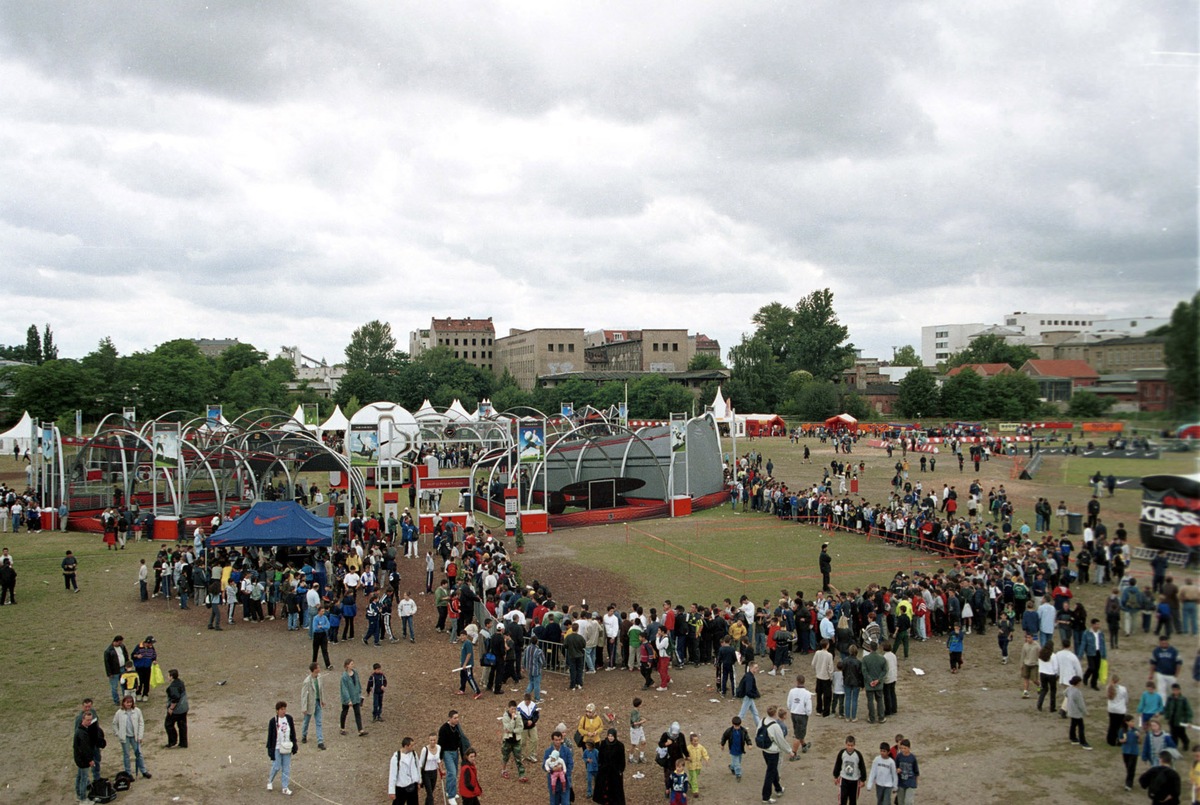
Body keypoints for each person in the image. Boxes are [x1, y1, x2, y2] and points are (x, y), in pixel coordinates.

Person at [112, 695, 150, 780]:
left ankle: (143, 771)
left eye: (130, 702)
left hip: (135, 737)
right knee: (126, 755)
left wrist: (140, 736)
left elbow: (141, 723)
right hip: (125, 737)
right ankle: (128, 773)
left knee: (139, 754)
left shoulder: (137, 711)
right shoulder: (119, 712)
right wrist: (118, 734)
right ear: (124, 703)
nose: (129, 704)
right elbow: (114, 723)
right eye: (127, 702)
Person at [759, 705, 791, 804]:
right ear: (775, 713)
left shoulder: (762, 721)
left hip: (764, 750)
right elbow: (781, 741)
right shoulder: (775, 726)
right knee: (770, 773)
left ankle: (778, 788)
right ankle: (766, 797)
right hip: (773, 752)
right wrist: (789, 751)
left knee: (772, 770)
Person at [266, 700, 297, 795]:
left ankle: (285, 787)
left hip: (287, 746)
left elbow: (293, 732)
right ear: (277, 710)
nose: (284, 711)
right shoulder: (273, 721)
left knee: (286, 767)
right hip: (277, 747)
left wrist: (294, 744)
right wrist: (270, 749)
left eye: (284, 709)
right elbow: (270, 736)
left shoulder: (289, 719)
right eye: (281, 709)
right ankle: (270, 780)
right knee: (276, 766)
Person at [439, 710, 468, 805]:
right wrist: (439, 758)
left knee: (454, 773)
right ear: (449, 718)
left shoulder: (457, 727)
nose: (457, 720)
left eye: (457, 717)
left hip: (455, 752)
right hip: (447, 753)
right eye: (455, 718)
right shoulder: (444, 729)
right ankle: (451, 796)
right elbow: (441, 744)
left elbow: (461, 740)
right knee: (452, 772)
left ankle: (449, 790)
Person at [74, 710, 102, 804]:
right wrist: (90, 760)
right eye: (87, 720)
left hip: (79, 759)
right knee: (84, 779)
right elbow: (85, 749)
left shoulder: (81, 730)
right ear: (83, 719)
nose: (89, 722)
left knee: (79, 777)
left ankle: (78, 795)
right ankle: (83, 799)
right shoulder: (82, 733)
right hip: (83, 760)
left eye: (90, 720)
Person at [593, 727, 627, 804]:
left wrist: (621, 770)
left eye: (612, 736)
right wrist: (600, 765)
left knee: (615, 788)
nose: (610, 738)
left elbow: (622, 759)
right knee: (603, 786)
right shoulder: (604, 744)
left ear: (615, 736)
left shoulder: (620, 745)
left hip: (615, 771)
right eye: (609, 736)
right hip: (604, 770)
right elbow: (600, 756)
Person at [833, 735, 868, 805]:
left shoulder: (858, 755)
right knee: (843, 799)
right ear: (846, 744)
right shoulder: (842, 753)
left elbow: (862, 767)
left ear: (854, 745)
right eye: (848, 745)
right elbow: (838, 764)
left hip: (854, 781)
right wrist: (836, 776)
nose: (850, 747)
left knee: (853, 800)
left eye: (852, 745)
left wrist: (863, 779)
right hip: (844, 780)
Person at [542, 730, 575, 805]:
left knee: (566, 802)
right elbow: (544, 765)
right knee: (554, 802)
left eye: (559, 740)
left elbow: (570, 763)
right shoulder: (548, 752)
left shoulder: (566, 751)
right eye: (556, 740)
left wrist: (565, 772)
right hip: (553, 782)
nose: (558, 742)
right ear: (553, 740)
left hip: (565, 781)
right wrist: (552, 769)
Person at [300, 662, 327, 750]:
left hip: (317, 702)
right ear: (314, 669)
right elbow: (304, 695)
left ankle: (320, 741)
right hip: (310, 704)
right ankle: (304, 735)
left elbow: (321, 689)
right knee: (306, 721)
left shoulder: (319, 678)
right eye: (318, 667)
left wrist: (322, 700)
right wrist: (304, 707)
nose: (319, 669)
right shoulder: (307, 681)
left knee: (318, 722)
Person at [388, 736, 422, 805]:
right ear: (406, 746)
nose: (413, 747)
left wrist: (419, 781)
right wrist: (392, 791)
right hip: (401, 788)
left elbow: (417, 767)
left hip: (412, 786)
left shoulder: (414, 754)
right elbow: (392, 775)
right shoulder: (396, 758)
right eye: (411, 745)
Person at [500, 700, 527, 783]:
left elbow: (520, 728)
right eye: (512, 709)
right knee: (505, 756)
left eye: (515, 709)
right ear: (509, 708)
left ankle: (522, 774)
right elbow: (508, 728)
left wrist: (513, 731)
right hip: (507, 740)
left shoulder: (518, 716)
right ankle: (503, 770)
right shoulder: (505, 717)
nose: (514, 711)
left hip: (516, 740)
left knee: (518, 757)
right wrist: (512, 719)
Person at [339, 658, 368, 737]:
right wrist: (348, 700)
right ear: (347, 665)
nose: (353, 665)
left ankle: (360, 730)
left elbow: (358, 683)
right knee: (344, 712)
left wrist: (359, 693)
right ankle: (342, 728)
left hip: (355, 697)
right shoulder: (344, 677)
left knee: (357, 713)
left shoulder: (355, 673)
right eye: (351, 664)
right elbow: (344, 689)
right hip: (348, 698)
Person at [786, 674, 812, 756]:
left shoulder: (792, 691)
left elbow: (788, 703)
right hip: (802, 715)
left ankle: (804, 745)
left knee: (797, 731)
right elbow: (808, 707)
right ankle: (793, 753)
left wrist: (792, 709)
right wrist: (808, 713)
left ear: (797, 682)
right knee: (798, 734)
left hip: (794, 714)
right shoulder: (807, 693)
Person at [1065, 675, 1093, 749]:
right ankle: (1083, 742)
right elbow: (1081, 704)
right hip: (1077, 712)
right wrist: (1086, 713)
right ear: (1078, 683)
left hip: (1071, 710)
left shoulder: (1069, 688)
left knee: (1073, 724)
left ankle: (1073, 738)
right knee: (1081, 727)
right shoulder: (1077, 692)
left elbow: (1065, 693)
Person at [1163, 683, 1193, 752]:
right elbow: (1167, 708)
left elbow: (1188, 711)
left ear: (1179, 690)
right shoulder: (1170, 698)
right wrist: (1167, 716)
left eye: (1177, 690)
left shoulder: (1183, 699)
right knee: (1173, 734)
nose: (1175, 692)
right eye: (1174, 690)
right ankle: (1174, 747)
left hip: (1180, 721)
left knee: (1181, 734)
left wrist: (1189, 721)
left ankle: (1186, 742)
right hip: (1172, 720)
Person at [719, 715, 749, 783]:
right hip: (733, 750)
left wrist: (749, 743)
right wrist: (722, 744)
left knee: (737, 762)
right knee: (737, 764)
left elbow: (747, 737)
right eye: (736, 726)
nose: (737, 727)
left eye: (738, 726)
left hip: (740, 749)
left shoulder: (743, 731)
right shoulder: (729, 731)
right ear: (733, 724)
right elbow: (724, 737)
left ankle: (732, 767)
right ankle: (738, 774)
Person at [417, 732, 445, 805]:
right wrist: (419, 777)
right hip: (426, 773)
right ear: (428, 740)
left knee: (431, 791)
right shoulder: (425, 749)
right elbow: (420, 763)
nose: (433, 742)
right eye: (431, 740)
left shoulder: (438, 747)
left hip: (434, 772)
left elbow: (438, 759)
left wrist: (441, 769)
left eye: (434, 740)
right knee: (429, 793)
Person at [164, 669, 188, 749]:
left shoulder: (173, 687)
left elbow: (175, 698)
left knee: (168, 724)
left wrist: (171, 708)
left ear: (171, 677)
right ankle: (183, 742)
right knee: (182, 725)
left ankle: (172, 741)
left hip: (176, 710)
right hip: (184, 708)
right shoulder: (181, 683)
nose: (167, 677)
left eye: (168, 675)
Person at [735, 662, 762, 728]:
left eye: (757, 667)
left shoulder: (748, 675)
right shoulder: (749, 677)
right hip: (747, 697)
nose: (757, 669)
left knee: (755, 712)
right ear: (750, 668)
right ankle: (735, 727)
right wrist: (755, 695)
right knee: (742, 714)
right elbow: (748, 690)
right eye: (755, 667)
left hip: (747, 696)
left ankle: (759, 727)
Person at [131, 636, 157, 702]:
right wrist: (137, 656)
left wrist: (154, 660)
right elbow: (132, 655)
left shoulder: (151, 648)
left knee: (146, 681)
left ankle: (145, 694)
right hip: (139, 667)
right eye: (151, 643)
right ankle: (138, 693)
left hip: (147, 667)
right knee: (139, 681)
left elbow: (154, 655)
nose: (151, 645)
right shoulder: (139, 646)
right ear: (147, 642)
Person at [1120, 715, 1142, 791]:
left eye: (1133, 721)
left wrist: (1139, 737)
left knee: (1131, 767)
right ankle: (1129, 779)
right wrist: (1123, 740)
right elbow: (1120, 740)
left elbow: (1139, 742)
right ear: (1126, 722)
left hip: (1134, 752)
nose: (1133, 723)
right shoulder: (1122, 730)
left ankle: (1129, 784)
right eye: (1132, 721)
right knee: (1128, 766)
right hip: (1125, 751)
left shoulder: (1136, 731)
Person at [104, 635, 127, 706]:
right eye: (119, 643)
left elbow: (126, 656)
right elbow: (107, 663)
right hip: (114, 671)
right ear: (115, 642)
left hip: (123, 668)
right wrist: (109, 673)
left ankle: (125, 699)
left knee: (124, 685)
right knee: (114, 687)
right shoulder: (108, 651)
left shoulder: (122, 647)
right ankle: (116, 701)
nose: (121, 644)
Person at [894, 738, 918, 805]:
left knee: (908, 802)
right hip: (901, 783)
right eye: (901, 748)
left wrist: (915, 783)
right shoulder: (899, 756)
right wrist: (896, 770)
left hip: (910, 783)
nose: (903, 750)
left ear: (909, 748)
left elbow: (916, 772)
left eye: (905, 748)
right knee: (900, 802)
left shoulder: (912, 758)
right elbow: (895, 767)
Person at [684, 732, 708, 799]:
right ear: (691, 741)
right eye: (694, 741)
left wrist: (706, 758)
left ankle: (691, 782)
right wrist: (686, 758)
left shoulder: (700, 747)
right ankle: (695, 791)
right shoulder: (688, 748)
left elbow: (704, 752)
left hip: (698, 765)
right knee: (694, 778)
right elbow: (684, 755)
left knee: (696, 775)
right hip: (691, 766)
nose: (696, 742)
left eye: (697, 740)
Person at [310, 605, 331, 669]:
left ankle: (328, 665)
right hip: (317, 635)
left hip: (323, 635)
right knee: (315, 650)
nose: (323, 612)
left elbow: (328, 626)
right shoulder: (315, 618)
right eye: (322, 611)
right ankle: (314, 664)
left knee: (325, 650)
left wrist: (321, 626)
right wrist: (324, 626)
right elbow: (315, 628)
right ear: (318, 611)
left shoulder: (325, 617)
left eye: (323, 611)